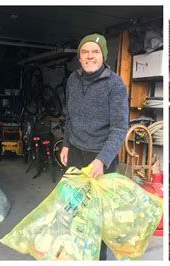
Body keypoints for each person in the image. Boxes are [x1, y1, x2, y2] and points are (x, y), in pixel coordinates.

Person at [59, 33, 129, 260]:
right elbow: (69, 116)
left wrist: (102, 159)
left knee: (98, 216)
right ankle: (77, 254)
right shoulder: (72, 80)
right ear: (79, 57)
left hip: (101, 158)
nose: (90, 56)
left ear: (103, 56)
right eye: (85, 52)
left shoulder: (115, 84)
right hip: (76, 154)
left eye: (95, 52)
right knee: (75, 208)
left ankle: (97, 258)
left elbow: (119, 128)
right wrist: (66, 144)